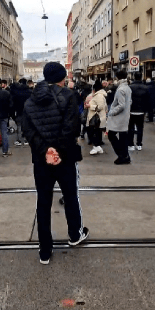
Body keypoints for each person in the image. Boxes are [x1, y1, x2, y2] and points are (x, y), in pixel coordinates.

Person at [22, 62, 89, 265]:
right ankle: (75, 235)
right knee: (70, 197)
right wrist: (57, 151)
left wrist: (46, 151)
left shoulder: (30, 100)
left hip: (42, 160)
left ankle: (45, 250)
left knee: (43, 201)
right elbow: (72, 128)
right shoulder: (68, 96)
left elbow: (28, 131)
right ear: (62, 77)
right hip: (65, 158)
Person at [105, 69, 132, 164]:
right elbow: (129, 102)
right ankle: (125, 156)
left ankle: (122, 155)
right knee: (123, 137)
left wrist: (111, 112)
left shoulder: (121, 89)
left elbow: (121, 105)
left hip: (119, 117)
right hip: (125, 116)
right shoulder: (127, 88)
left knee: (112, 135)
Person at [128, 73, 150, 151]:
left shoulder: (130, 87)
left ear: (134, 77)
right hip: (141, 111)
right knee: (140, 128)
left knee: (130, 128)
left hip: (131, 110)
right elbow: (148, 100)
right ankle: (139, 144)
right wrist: (146, 110)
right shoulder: (146, 88)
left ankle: (131, 144)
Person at [87, 81, 107, 155]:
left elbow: (100, 107)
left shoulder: (99, 96)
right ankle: (98, 147)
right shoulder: (99, 95)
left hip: (96, 117)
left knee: (93, 132)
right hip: (98, 117)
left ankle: (96, 147)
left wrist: (90, 106)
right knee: (96, 132)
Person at [11, 78, 32, 146]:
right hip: (28, 111)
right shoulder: (30, 92)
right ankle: (26, 140)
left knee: (19, 126)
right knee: (27, 126)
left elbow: (13, 103)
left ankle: (19, 140)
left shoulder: (17, 92)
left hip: (19, 110)